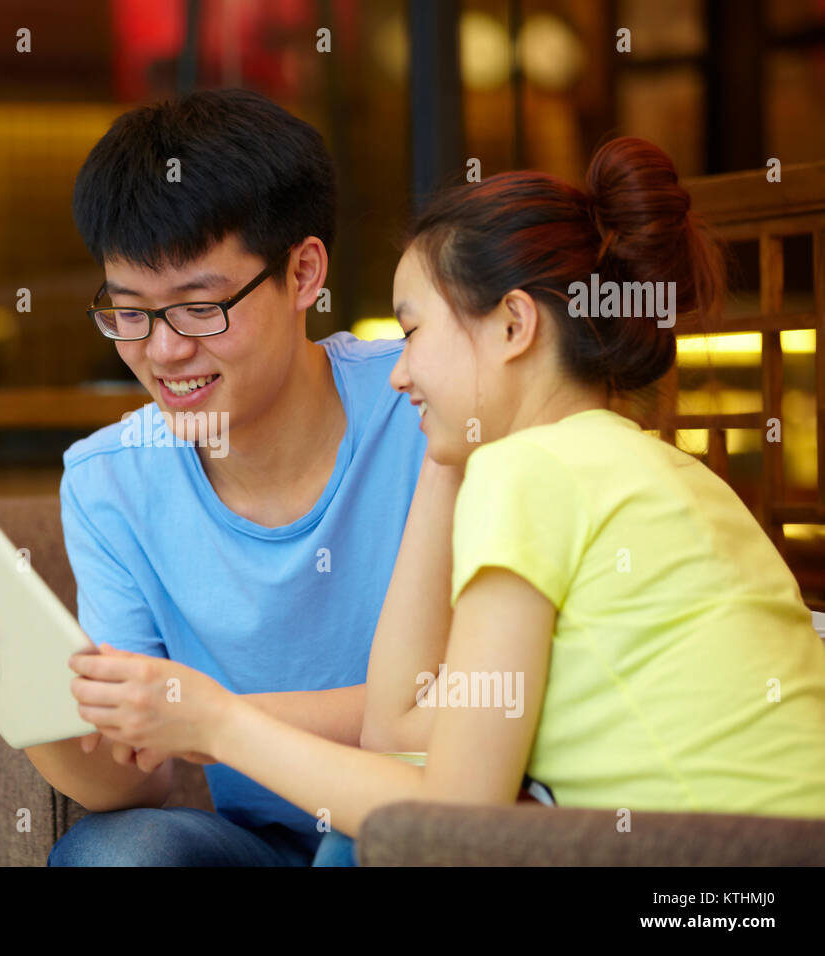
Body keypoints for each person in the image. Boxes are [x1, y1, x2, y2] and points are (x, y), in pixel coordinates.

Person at [68, 136, 825, 867]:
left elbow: (456, 815)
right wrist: (447, 451)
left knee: (383, 848)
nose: (398, 374)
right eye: (132, 311)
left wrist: (219, 721)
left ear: (513, 324)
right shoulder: (661, 471)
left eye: (413, 330)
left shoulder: (528, 475)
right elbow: (401, 723)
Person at [0, 88, 432, 865]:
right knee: (120, 852)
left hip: (420, 822)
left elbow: (469, 705)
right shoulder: (111, 481)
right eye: (130, 312)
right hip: (256, 846)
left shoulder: (423, 410)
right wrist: (12, 695)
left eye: (199, 307)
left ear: (304, 272)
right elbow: (133, 784)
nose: (164, 351)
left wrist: (211, 717)